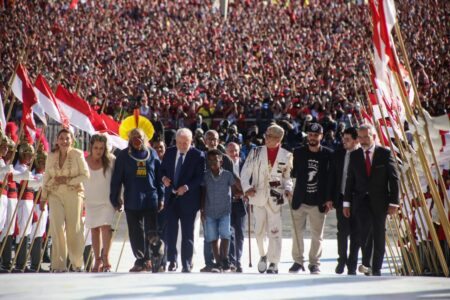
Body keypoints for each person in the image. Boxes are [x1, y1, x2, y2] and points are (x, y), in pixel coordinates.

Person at [344, 124, 400, 276]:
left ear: (373, 136)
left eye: (365, 137)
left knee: (378, 233)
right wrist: (346, 203)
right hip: (361, 201)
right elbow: (350, 180)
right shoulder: (354, 155)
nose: (362, 140)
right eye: (360, 137)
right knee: (365, 232)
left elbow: (394, 179)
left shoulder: (385, 153)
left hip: (380, 201)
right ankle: (367, 264)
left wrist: (394, 202)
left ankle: (377, 268)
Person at [240, 124, 293, 274]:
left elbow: (287, 177)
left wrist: (288, 189)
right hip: (258, 195)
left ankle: (274, 262)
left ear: (278, 139)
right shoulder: (255, 152)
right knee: (258, 231)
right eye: (266, 135)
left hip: (276, 197)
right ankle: (263, 255)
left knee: (275, 231)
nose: (266, 138)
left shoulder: (287, 155)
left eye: (269, 136)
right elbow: (245, 172)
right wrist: (246, 188)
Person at [110, 128, 164, 272]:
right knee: (135, 232)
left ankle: (154, 258)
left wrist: (162, 197)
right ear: (129, 139)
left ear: (145, 138)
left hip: (150, 198)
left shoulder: (152, 153)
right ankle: (141, 260)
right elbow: (117, 179)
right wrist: (116, 198)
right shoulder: (123, 155)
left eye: (139, 136)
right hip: (132, 199)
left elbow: (159, 179)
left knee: (151, 232)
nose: (136, 139)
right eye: (133, 136)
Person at [42, 128, 90, 272]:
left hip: (73, 193)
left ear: (72, 140)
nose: (64, 141)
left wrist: (69, 180)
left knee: (74, 229)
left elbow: (86, 175)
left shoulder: (78, 154)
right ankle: (58, 265)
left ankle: (76, 262)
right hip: (54, 193)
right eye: (61, 138)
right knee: (56, 228)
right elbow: (46, 176)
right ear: (57, 140)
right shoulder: (50, 156)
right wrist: (43, 197)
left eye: (67, 138)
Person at [289, 123, 334, 275]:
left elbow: (331, 179)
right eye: (310, 135)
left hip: (318, 201)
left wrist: (329, 199)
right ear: (307, 136)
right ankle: (297, 261)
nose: (312, 138)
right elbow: (290, 173)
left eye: (316, 135)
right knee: (296, 233)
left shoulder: (328, 154)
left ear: (321, 136)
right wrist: (288, 188)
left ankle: (314, 263)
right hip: (300, 200)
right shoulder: (298, 152)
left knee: (317, 235)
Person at [160, 128, 205, 273]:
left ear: (191, 142)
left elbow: (200, 178)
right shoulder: (170, 151)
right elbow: (161, 171)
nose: (182, 146)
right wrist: (164, 179)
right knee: (171, 233)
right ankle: (172, 261)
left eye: (185, 143)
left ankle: (186, 263)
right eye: (179, 143)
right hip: (171, 199)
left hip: (189, 200)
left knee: (187, 234)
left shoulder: (198, 155)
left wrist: (186, 187)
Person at [200, 130, 236, 273]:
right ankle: (210, 263)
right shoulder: (200, 158)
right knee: (209, 235)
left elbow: (232, 179)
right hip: (207, 204)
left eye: (214, 139)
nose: (212, 142)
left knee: (226, 233)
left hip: (223, 203)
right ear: (204, 141)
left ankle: (225, 261)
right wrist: (201, 206)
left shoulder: (226, 159)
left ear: (219, 140)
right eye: (209, 139)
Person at [330, 127, 360, 275]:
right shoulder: (338, 154)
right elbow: (332, 178)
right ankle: (341, 260)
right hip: (341, 199)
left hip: (358, 201)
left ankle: (352, 263)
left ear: (356, 140)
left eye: (347, 140)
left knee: (356, 233)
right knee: (342, 232)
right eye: (343, 139)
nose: (344, 142)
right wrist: (329, 198)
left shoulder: (362, 155)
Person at [84, 134, 116, 272]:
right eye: (96, 147)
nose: (98, 151)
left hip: (106, 201)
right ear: (91, 146)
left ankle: (106, 258)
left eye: (101, 148)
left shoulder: (111, 160)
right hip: (90, 200)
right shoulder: (83, 160)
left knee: (105, 228)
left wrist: (119, 198)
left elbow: (117, 181)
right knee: (94, 229)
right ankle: (97, 260)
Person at [226, 142, 247, 273]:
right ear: (226, 152)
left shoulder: (245, 165)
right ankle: (231, 260)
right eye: (231, 151)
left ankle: (238, 260)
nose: (234, 153)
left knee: (239, 233)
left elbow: (251, 181)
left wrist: (244, 193)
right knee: (229, 232)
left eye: (236, 150)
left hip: (241, 203)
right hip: (226, 203)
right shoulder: (223, 164)